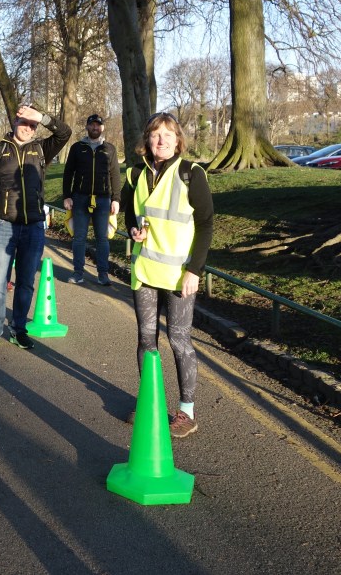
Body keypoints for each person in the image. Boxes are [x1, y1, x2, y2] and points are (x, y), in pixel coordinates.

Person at [120, 112, 213, 438]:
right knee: (146, 339)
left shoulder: (191, 174)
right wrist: (133, 228)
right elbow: (129, 208)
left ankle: (186, 412)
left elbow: (205, 224)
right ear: (147, 139)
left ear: (178, 140)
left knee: (178, 340)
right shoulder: (134, 174)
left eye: (167, 135)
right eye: (155, 135)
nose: (160, 141)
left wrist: (195, 271)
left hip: (178, 276)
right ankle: (152, 403)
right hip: (145, 270)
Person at [0, 104, 71, 350]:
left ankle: (18, 329)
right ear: (14, 123)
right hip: (4, 226)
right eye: (24, 122)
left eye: (33, 125)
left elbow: (64, 133)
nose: (28, 128)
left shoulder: (41, 150)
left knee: (26, 282)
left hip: (34, 227)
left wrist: (43, 117)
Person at [62, 113, 121, 285]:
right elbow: (68, 173)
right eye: (92, 124)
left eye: (98, 125)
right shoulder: (77, 147)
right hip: (80, 198)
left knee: (102, 238)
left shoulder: (110, 149)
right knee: (79, 238)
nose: (95, 127)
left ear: (102, 128)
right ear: (87, 127)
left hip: (103, 200)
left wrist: (116, 199)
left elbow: (115, 175)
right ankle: (78, 272)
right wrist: (67, 196)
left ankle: (103, 274)